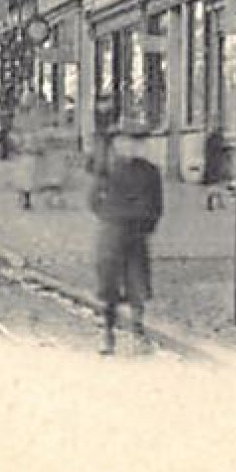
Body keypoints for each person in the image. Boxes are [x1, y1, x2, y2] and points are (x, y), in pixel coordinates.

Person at [88, 112, 163, 355]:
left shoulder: (151, 171)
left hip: (137, 233)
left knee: (137, 284)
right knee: (109, 286)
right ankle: (107, 334)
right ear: (120, 143)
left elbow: (157, 203)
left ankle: (138, 333)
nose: (135, 146)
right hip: (112, 232)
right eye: (129, 140)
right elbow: (93, 199)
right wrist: (109, 217)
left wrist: (147, 224)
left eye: (140, 141)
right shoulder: (109, 170)